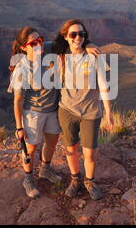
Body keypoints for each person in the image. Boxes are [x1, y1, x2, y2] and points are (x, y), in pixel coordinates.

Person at [8, 27, 101, 198]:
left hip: (53, 109)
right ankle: (28, 179)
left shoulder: (48, 49)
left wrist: (88, 45)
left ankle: (45, 169)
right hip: (33, 112)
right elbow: (18, 101)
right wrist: (19, 127)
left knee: (51, 142)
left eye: (40, 39)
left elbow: (70, 41)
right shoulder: (22, 68)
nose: (39, 44)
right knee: (30, 147)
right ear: (24, 47)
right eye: (33, 43)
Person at [53, 19, 113, 200]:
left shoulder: (94, 56)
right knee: (71, 149)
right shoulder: (60, 56)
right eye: (73, 34)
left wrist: (108, 112)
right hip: (67, 110)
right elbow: (40, 47)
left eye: (82, 34)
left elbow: (104, 85)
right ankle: (75, 179)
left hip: (91, 112)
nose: (78, 37)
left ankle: (90, 181)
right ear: (65, 37)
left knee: (89, 152)